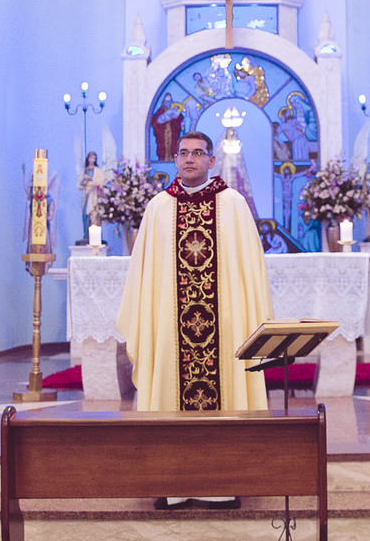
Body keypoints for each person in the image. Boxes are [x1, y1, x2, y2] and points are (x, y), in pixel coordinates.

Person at [117, 131, 274, 510]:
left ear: (211, 160)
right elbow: (145, 276)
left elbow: (250, 271)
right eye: (184, 153)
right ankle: (170, 482)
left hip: (225, 326)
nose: (190, 159)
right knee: (170, 388)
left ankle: (224, 483)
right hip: (171, 329)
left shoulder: (233, 205)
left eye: (198, 153)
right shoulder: (158, 208)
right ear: (175, 159)